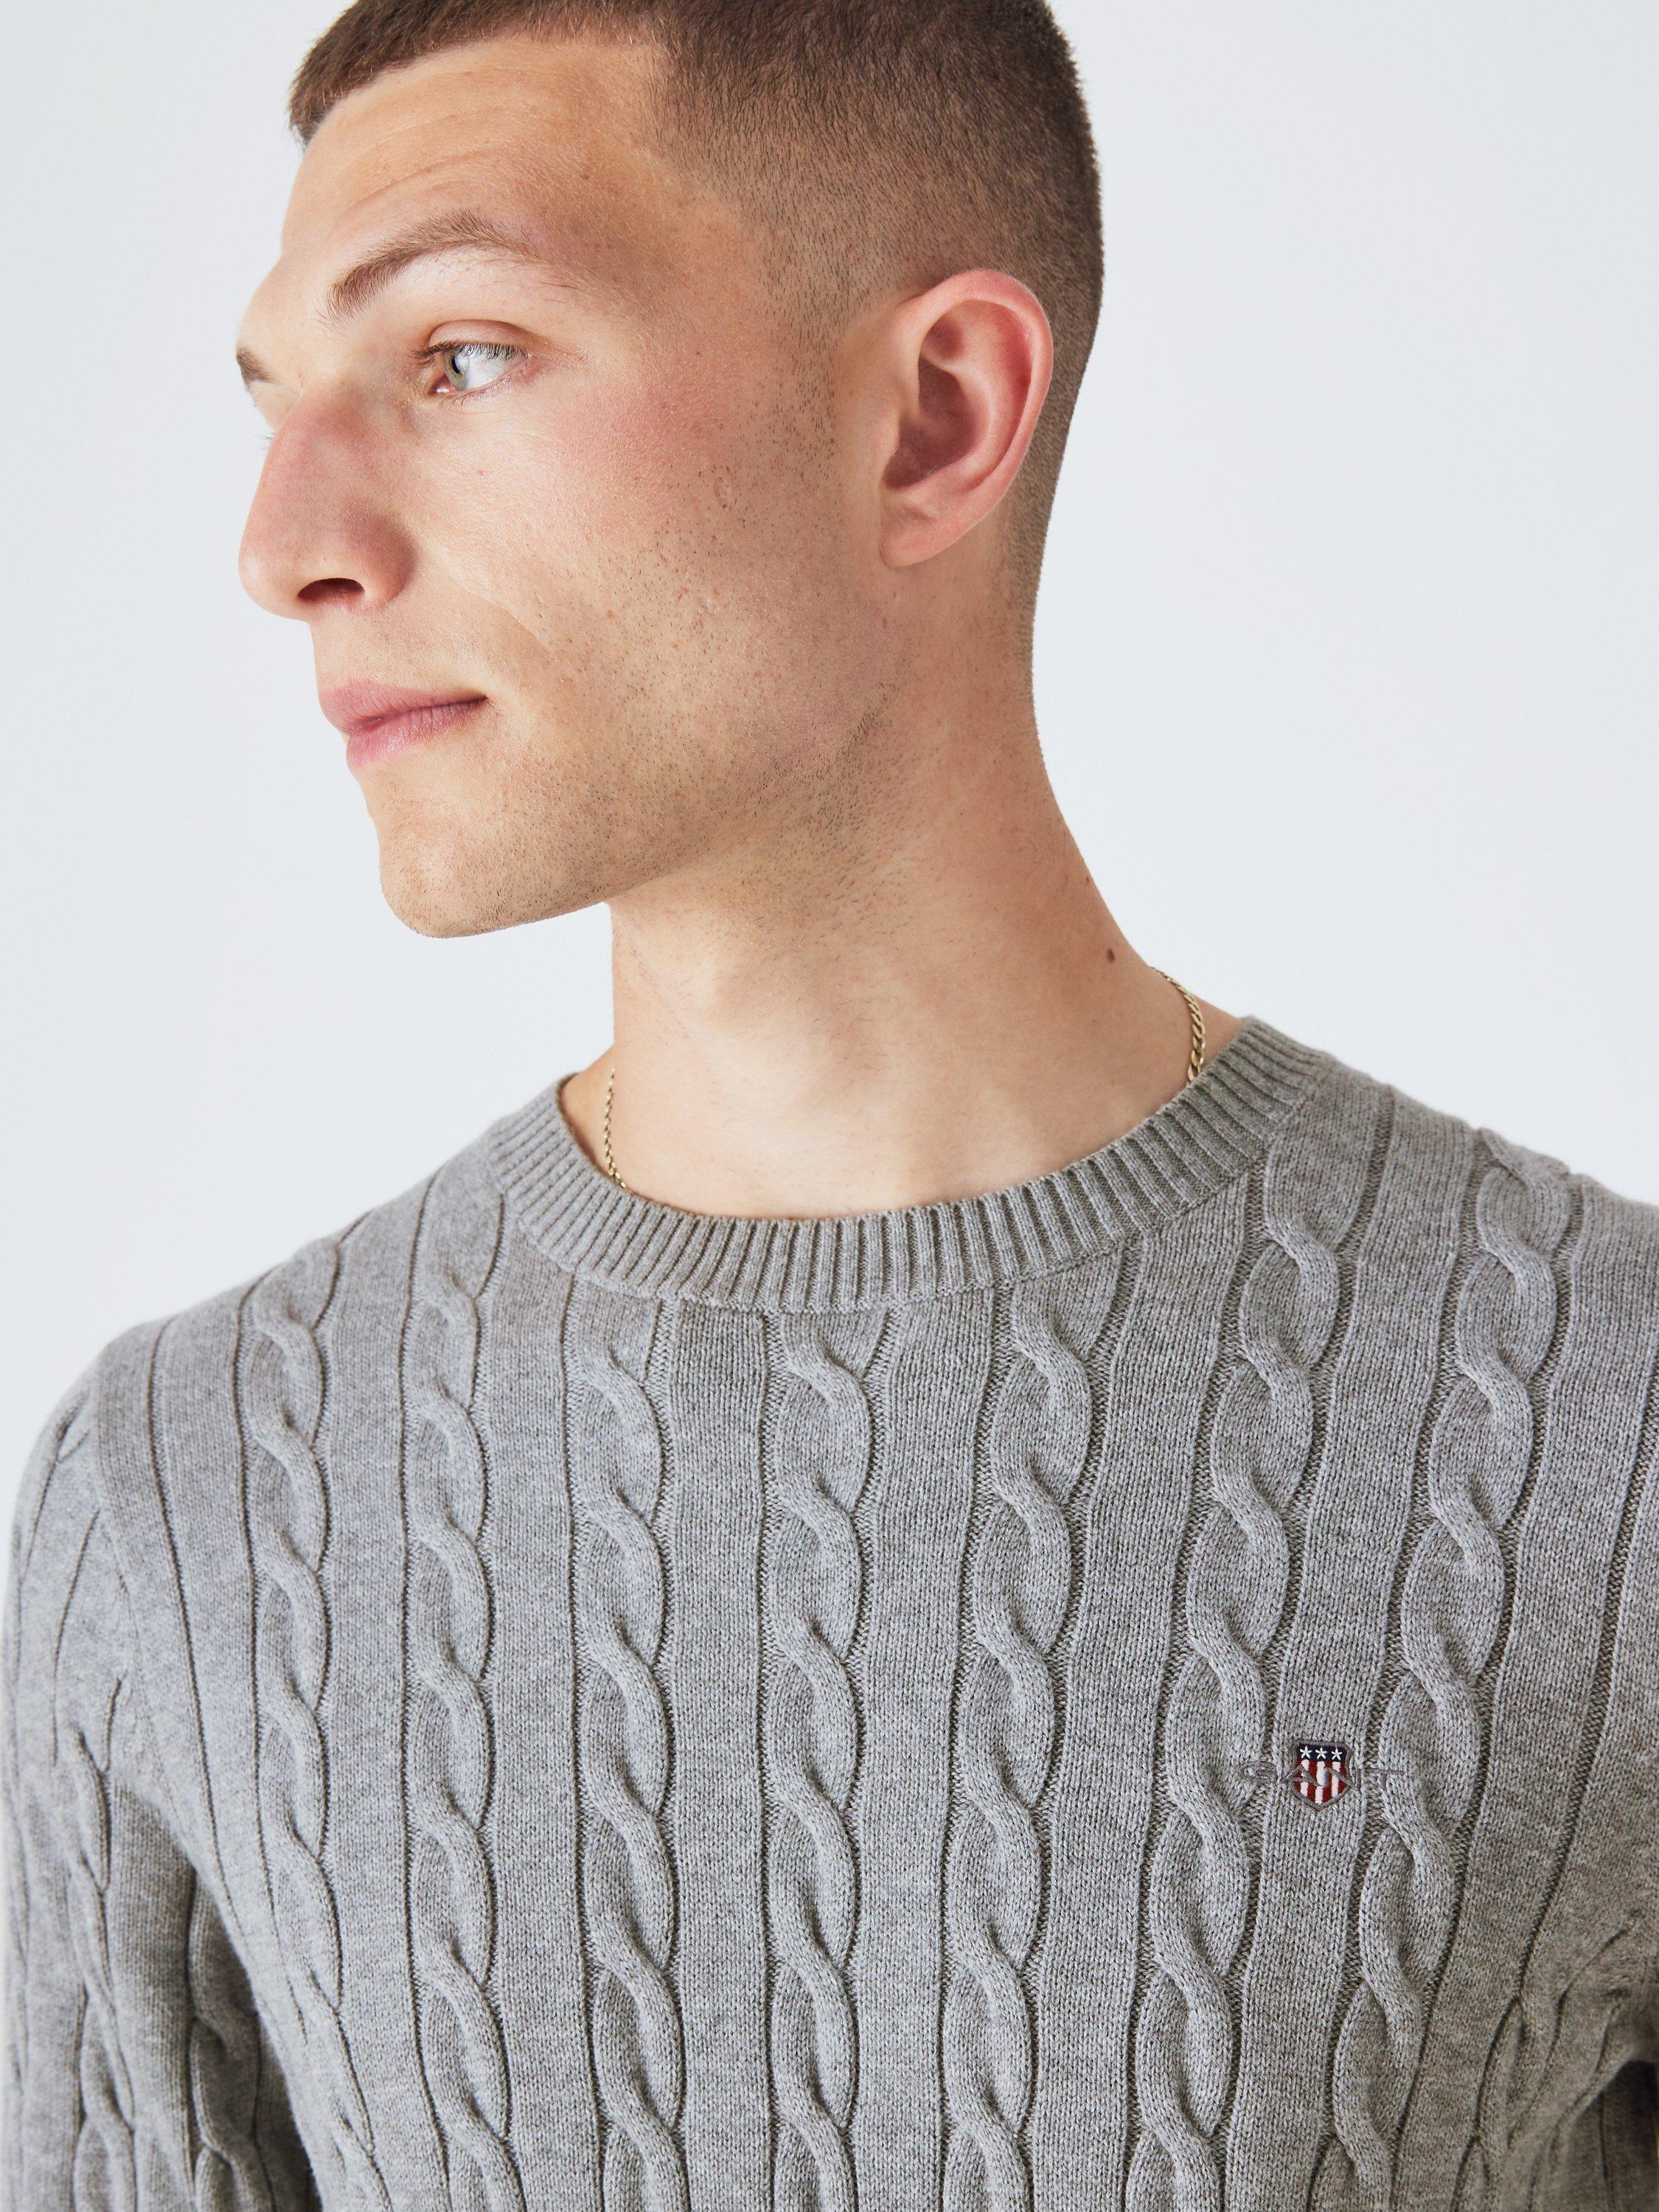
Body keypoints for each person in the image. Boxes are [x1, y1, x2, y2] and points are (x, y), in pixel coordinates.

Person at [4, 0, 1657, 2204]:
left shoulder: (1602, 1425)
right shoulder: (181, 1502)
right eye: (274, 400)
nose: (284, 540)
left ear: (931, 417)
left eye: (463, 356)